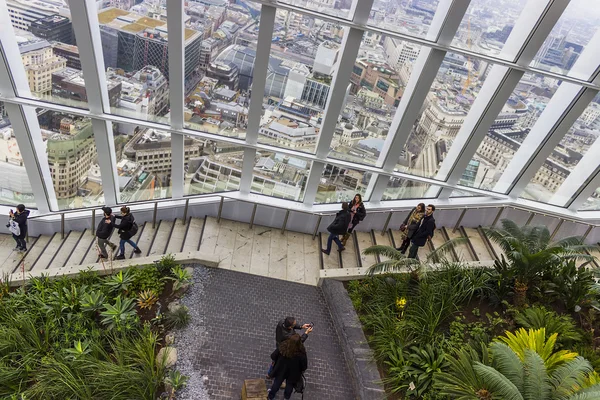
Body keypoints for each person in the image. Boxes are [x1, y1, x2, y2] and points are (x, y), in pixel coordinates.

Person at [267, 334, 308, 400]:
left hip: (281, 370)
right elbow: (304, 366)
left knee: (277, 383)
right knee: (289, 386)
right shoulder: (301, 353)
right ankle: (286, 398)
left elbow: (273, 356)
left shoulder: (283, 346)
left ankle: (271, 396)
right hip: (293, 374)